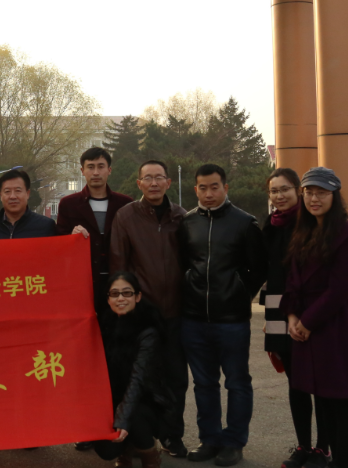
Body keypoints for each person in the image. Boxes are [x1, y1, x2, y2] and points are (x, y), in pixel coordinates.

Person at [178, 164, 265, 466]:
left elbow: (258, 268)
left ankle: (234, 442)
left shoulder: (245, 223)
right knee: (204, 384)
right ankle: (210, 439)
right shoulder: (187, 223)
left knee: (237, 382)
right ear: (195, 189)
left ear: (225, 188)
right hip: (193, 319)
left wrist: (239, 293)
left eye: (214, 187)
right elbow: (182, 264)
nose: (209, 193)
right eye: (202, 188)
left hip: (232, 321)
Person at [282, 168, 348, 468]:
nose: (314, 199)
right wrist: (292, 315)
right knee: (322, 398)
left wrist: (307, 322)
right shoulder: (303, 232)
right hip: (306, 327)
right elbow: (292, 280)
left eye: (321, 193)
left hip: (335, 328)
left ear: (334, 196)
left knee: (342, 400)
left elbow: (339, 290)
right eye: (309, 192)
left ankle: (343, 463)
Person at [110, 160, 189, 459]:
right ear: (139, 183)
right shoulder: (126, 216)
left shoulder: (182, 217)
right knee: (136, 377)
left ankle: (172, 435)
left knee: (176, 378)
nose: (154, 183)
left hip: (177, 312)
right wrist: (125, 307)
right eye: (148, 178)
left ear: (168, 182)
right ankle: (136, 438)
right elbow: (119, 264)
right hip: (142, 314)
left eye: (159, 178)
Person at [262, 168, 330, 468]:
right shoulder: (270, 225)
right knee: (296, 382)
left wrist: (307, 317)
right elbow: (269, 273)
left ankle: (323, 449)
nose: (279, 196)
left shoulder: (312, 222)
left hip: (310, 311)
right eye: (273, 191)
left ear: (298, 191)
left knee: (321, 383)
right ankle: (303, 445)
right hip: (279, 311)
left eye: (285, 189)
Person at [92, 272, 172, 468]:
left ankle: (149, 454)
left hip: (146, 400)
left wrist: (122, 418)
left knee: (135, 417)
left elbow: (138, 380)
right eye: (115, 293)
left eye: (127, 293)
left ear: (137, 296)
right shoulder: (103, 325)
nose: (120, 298)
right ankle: (125, 450)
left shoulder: (148, 330)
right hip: (113, 399)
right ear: (108, 299)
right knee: (106, 450)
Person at [56, 147, 133, 309]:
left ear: (109, 170)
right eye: (90, 167)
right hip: (83, 282)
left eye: (101, 166)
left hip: (118, 283)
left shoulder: (125, 204)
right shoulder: (69, 204)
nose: (96, 172)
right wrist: (71, 236)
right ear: (82, 171)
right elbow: (59, 244)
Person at [0, 169, 58, 239]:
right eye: (7, 191)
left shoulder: (46, 226)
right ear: (1, 196)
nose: (12, 196)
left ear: (27, 194)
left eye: (18, 191)